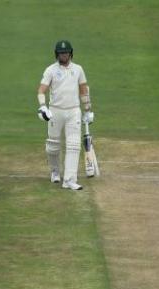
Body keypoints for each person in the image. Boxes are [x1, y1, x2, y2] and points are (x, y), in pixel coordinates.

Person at [37, 39, 93, 191]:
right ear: (57, 54)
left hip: (74, 111)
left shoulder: (78, 69)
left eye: (66, 53)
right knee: (53, 146)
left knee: (74, 146)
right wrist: (43, 107)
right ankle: (55, 171)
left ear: (71, 54)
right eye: (61, 53)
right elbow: (41, 90)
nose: (64, 56)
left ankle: (69, 180)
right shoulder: (51, 70)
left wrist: (88, 109)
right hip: (55, 111)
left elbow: (83, 89)